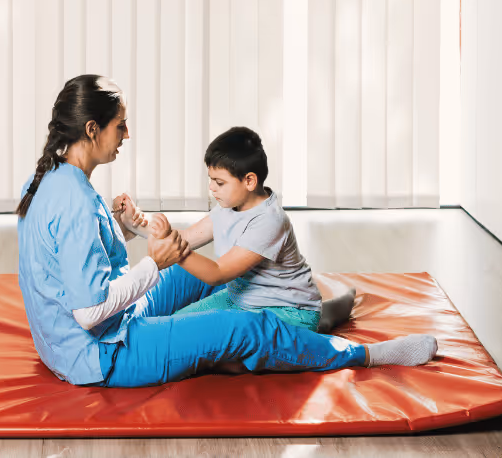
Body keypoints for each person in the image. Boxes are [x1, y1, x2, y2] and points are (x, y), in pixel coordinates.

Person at [16, 74, 438, 388]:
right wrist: (151, 264)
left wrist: (125, 228)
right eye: (120, 125)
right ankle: (365, 355)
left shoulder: (52, 180)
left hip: (91, 333)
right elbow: (88, 311)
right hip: (102, 353)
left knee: (189, 270)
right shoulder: (72, 201)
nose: (127, 133)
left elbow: (79, 254)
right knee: (241, 328)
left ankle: (307, 316)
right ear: (93, 129)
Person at [117, 126, 347, 333]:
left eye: (219, 182)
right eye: (210, 179)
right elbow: (185, 238)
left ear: (249, 181)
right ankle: (335, 309)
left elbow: (218, 273)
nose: (211, 188)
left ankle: (323, 319)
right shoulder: (228, 207)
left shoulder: (269, 221)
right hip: (242, 300)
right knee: (177, 327)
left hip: (288, 311)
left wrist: (174, 250)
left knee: (218, 350)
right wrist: (134, 223)